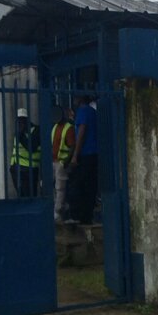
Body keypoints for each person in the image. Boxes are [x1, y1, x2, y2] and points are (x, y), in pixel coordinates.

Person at [68, 96, 98, 224]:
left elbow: (81, 132)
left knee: (76, 185)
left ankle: (77, 216)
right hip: (95, 153)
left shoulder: (83, 111)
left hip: (85, 154)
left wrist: (75, 155)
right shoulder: (93, 112)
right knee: (90, 186)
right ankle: (87, 216)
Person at [10, 107, 41, 197]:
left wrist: (20, 135)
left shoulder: (35, 130)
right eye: (19, 119)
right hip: (16, 168)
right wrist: (12, 166)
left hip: (29, 169)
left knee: (30, 195)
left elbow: (32, 148)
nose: (21, 122)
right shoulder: (18, 132)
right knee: (21, 196)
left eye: (23, 119)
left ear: (27, 120)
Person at [51, 107, 75, 221]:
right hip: (54, 161)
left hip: (62, 162)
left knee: (60, 188)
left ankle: (58, 211)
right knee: (54, 187)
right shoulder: (55, 127)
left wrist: (67, 160)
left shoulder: (68, 128)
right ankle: (57, 209)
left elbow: (72, 146)